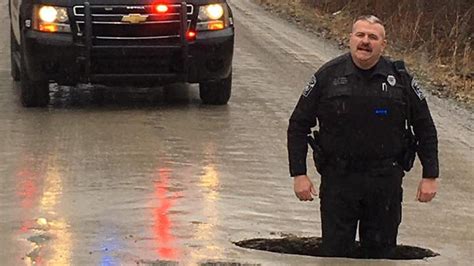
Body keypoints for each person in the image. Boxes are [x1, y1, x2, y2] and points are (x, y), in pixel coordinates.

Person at [287, 15, 439, 258]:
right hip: (339, 180)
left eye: (372, 37)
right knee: (335, 255)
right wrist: (299, 174)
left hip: (384, 182)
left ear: (383, 44)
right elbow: (298, 125)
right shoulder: (328, 76)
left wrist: (430, 175)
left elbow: (425, 128)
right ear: (350, 39)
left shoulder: (400, 80)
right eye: (360, 35)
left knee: (380, 255)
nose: (365, 41)